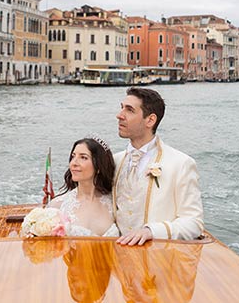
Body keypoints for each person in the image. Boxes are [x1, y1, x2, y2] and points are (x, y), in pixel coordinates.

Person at [113, 87, 203, 245]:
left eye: (129, 110)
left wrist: (152, 231)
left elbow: (193, 223)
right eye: (122, 108)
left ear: (150, 120)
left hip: (157, 259)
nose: (119, 115)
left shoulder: (181, 164)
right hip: (116, 258)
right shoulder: (114, 161)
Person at [50, 137, 119, 237]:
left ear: (99, 166)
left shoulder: (116, 203)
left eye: (83, 157)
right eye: (73, 156)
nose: (73, 163)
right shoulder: (57, 206)